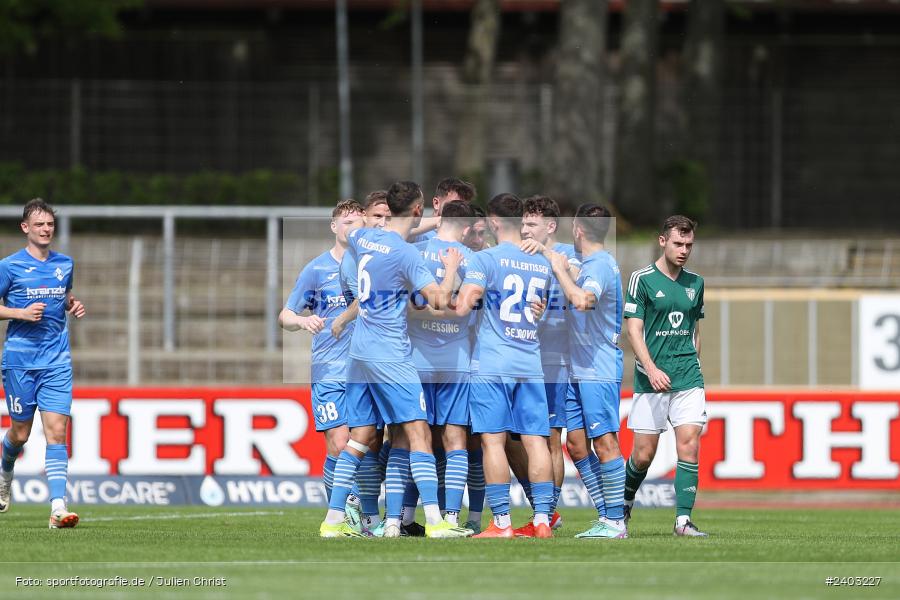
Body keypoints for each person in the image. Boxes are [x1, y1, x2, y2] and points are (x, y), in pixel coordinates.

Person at [319, 181, 471, 539]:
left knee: (360, 437)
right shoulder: (408, 255)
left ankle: (332, 520)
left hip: (359, 353)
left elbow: (365, 236)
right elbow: (438, 300)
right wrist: (450, 267)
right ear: (418, 209)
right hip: (390, 354)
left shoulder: (364, 239)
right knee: (418, 434)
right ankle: (436, 523)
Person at [454, 193, 555, 539]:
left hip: (493, 362)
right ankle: (543, 519)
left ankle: (501, 524)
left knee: (493, 443)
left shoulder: (486, 260)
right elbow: (540, 312)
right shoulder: (541, 263)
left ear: (495, 222)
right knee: (536, 441)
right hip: (530, 361)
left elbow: (462, 307)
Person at [529, 204, 627, 539]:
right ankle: (606, 515)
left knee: (605, 441)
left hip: (597, 367)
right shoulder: (588, 262)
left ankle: (616, 520)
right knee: (577, 444)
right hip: (578, 367)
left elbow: (585, 300)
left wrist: (558, 270)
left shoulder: (599, 264)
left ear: (577, 228)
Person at [0, 198, 86, 528]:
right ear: (25, 228)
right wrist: (19, 313)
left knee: (57, 432)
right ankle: (5, 471)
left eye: (49, 224)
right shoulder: (9, 267)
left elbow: (62, 296)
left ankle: (57, 508)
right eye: (39, 225)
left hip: (57, 360)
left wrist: (72, 304)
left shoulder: (65, 263)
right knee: (20, 434)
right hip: (20, 361)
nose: (45, 229)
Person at [622, 215, 707, 537]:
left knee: (689, 445)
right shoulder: (641, 279)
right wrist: (652, 368)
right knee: (643, 455)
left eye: (689, 245)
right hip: (651, 379)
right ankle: (626, 503)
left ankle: (683, 521)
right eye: (678, 243)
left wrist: (694, 361)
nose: (684, 250)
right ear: (662, 241)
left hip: (687, 377)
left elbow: (695, 329)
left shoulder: (695, 283)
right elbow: (633, 330)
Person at [279, 199, 364, 504]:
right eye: (346, 222)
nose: (352, 227)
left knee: (366, 447)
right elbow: (285, 316)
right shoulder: (316, 269)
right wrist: (302, 321)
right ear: (334, 226)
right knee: (340, 443)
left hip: (368, 370)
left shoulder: (371, 266)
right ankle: (341, 513)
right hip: (330, 371)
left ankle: (367, 515)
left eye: (357, 222)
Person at [510, 195, 578, 536]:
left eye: (531, 224)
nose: (525, 230)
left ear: (550, 227)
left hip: (553, 362)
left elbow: (576, 288)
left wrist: (549, 256)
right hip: (520, 357)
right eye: (522, 223)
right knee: (515, 438)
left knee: (552, 437)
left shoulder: (565, 253)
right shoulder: (520, 254)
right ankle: (540, 506)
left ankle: (548, 512)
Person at [408, 201, 476, 529]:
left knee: (412, 437)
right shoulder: (474, 259)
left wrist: (427, 311)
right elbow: (470, 310)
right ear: (465, 228)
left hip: (417, 357)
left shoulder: (416, 252)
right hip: (457, 359)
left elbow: (406, 306)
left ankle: (402, 517)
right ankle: (451, 516)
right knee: (455, 439)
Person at [410, 178, 476, 243]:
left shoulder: (466, 236)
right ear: (436, 203)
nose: (460, 211)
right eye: (454, 204)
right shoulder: (420, 234)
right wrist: (444, 220)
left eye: (464, 206)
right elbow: (406, 229)